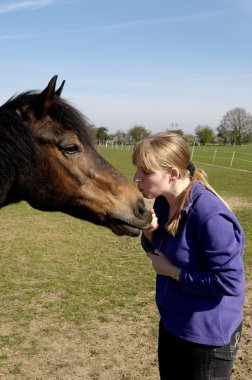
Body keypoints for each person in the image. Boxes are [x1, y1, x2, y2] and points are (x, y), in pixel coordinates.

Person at [132, 132, 245, 380]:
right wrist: (150, 233)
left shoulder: (210, 216)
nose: (136, 178)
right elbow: (160, 253)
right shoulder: (163, 202)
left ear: (172, 173)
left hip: (207, 337)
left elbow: (230, 282)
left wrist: (174, 273)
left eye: (146, 172)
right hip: (173, 322)